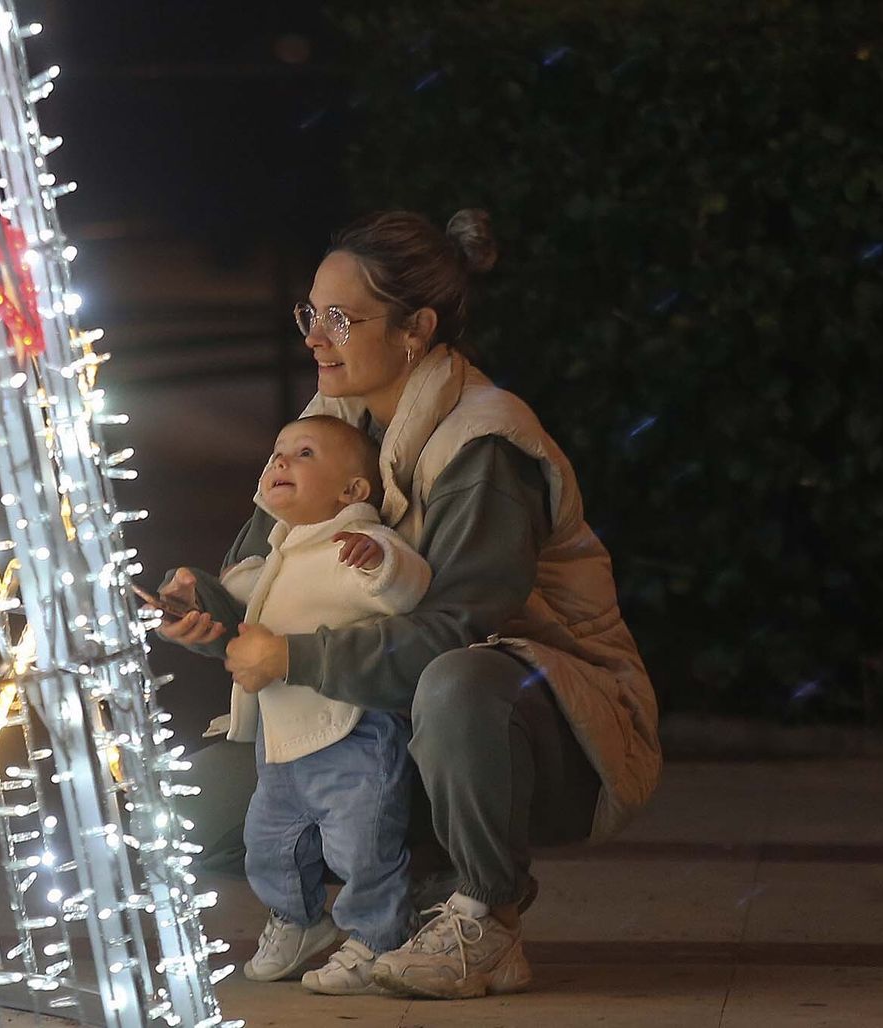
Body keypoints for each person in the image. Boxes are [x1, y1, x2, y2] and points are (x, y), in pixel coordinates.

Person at [156, 208, 661, 1000]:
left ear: (415, 329)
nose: (315, 338)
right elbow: (264, 586)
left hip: (553, 728)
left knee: (459, 682)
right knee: (191, 813)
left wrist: (292, 658)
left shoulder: (486, 444)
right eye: (309, 315)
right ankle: (405, 895)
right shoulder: (322, 429)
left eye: (340, 319)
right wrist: (206, 616)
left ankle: (486, 920)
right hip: (375, 721)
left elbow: (458, 632)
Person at [160, 415, 430, 995]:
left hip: (352, 728)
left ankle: (378, 935)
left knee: (363, 842)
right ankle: (299, 920)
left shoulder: (355, 544)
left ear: (352, 492)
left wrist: (380, 561)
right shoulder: (276, 554)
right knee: (270, 841)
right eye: (277, 453)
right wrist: (191, 595)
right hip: (280, 740)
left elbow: (409, 587)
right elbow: (233, 606)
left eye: (303, 454)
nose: (281, 462)